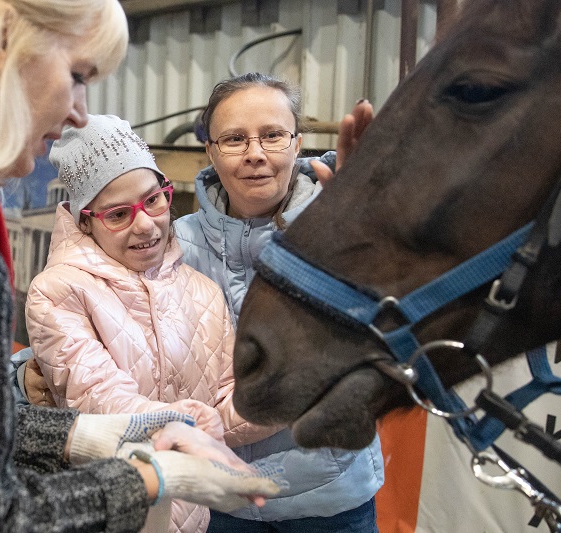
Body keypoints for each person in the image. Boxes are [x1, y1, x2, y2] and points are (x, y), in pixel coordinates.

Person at [0, 2, 284, 531]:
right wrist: (150, 477)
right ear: (1, 42)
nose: (77, 111)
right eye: (76, 76)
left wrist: (87, 436)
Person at [25, 113, 281, 532]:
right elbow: (103, 403)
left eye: (154, 200)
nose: (146, 223)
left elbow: (227, 400)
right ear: (85, 221)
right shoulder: (57, 292)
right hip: (106, 514)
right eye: (118, 214)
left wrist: (291, 397)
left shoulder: (201, 290)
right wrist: (196, 428)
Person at [172, 72, 383, 533]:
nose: (255, 154)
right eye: (233, 139)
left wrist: (367, 229)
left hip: (331, 502)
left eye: (272, 135)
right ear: (209, 150)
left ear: (298, 143)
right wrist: (28, 371)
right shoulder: (172, 245)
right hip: (216, 502)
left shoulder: (343, 225)